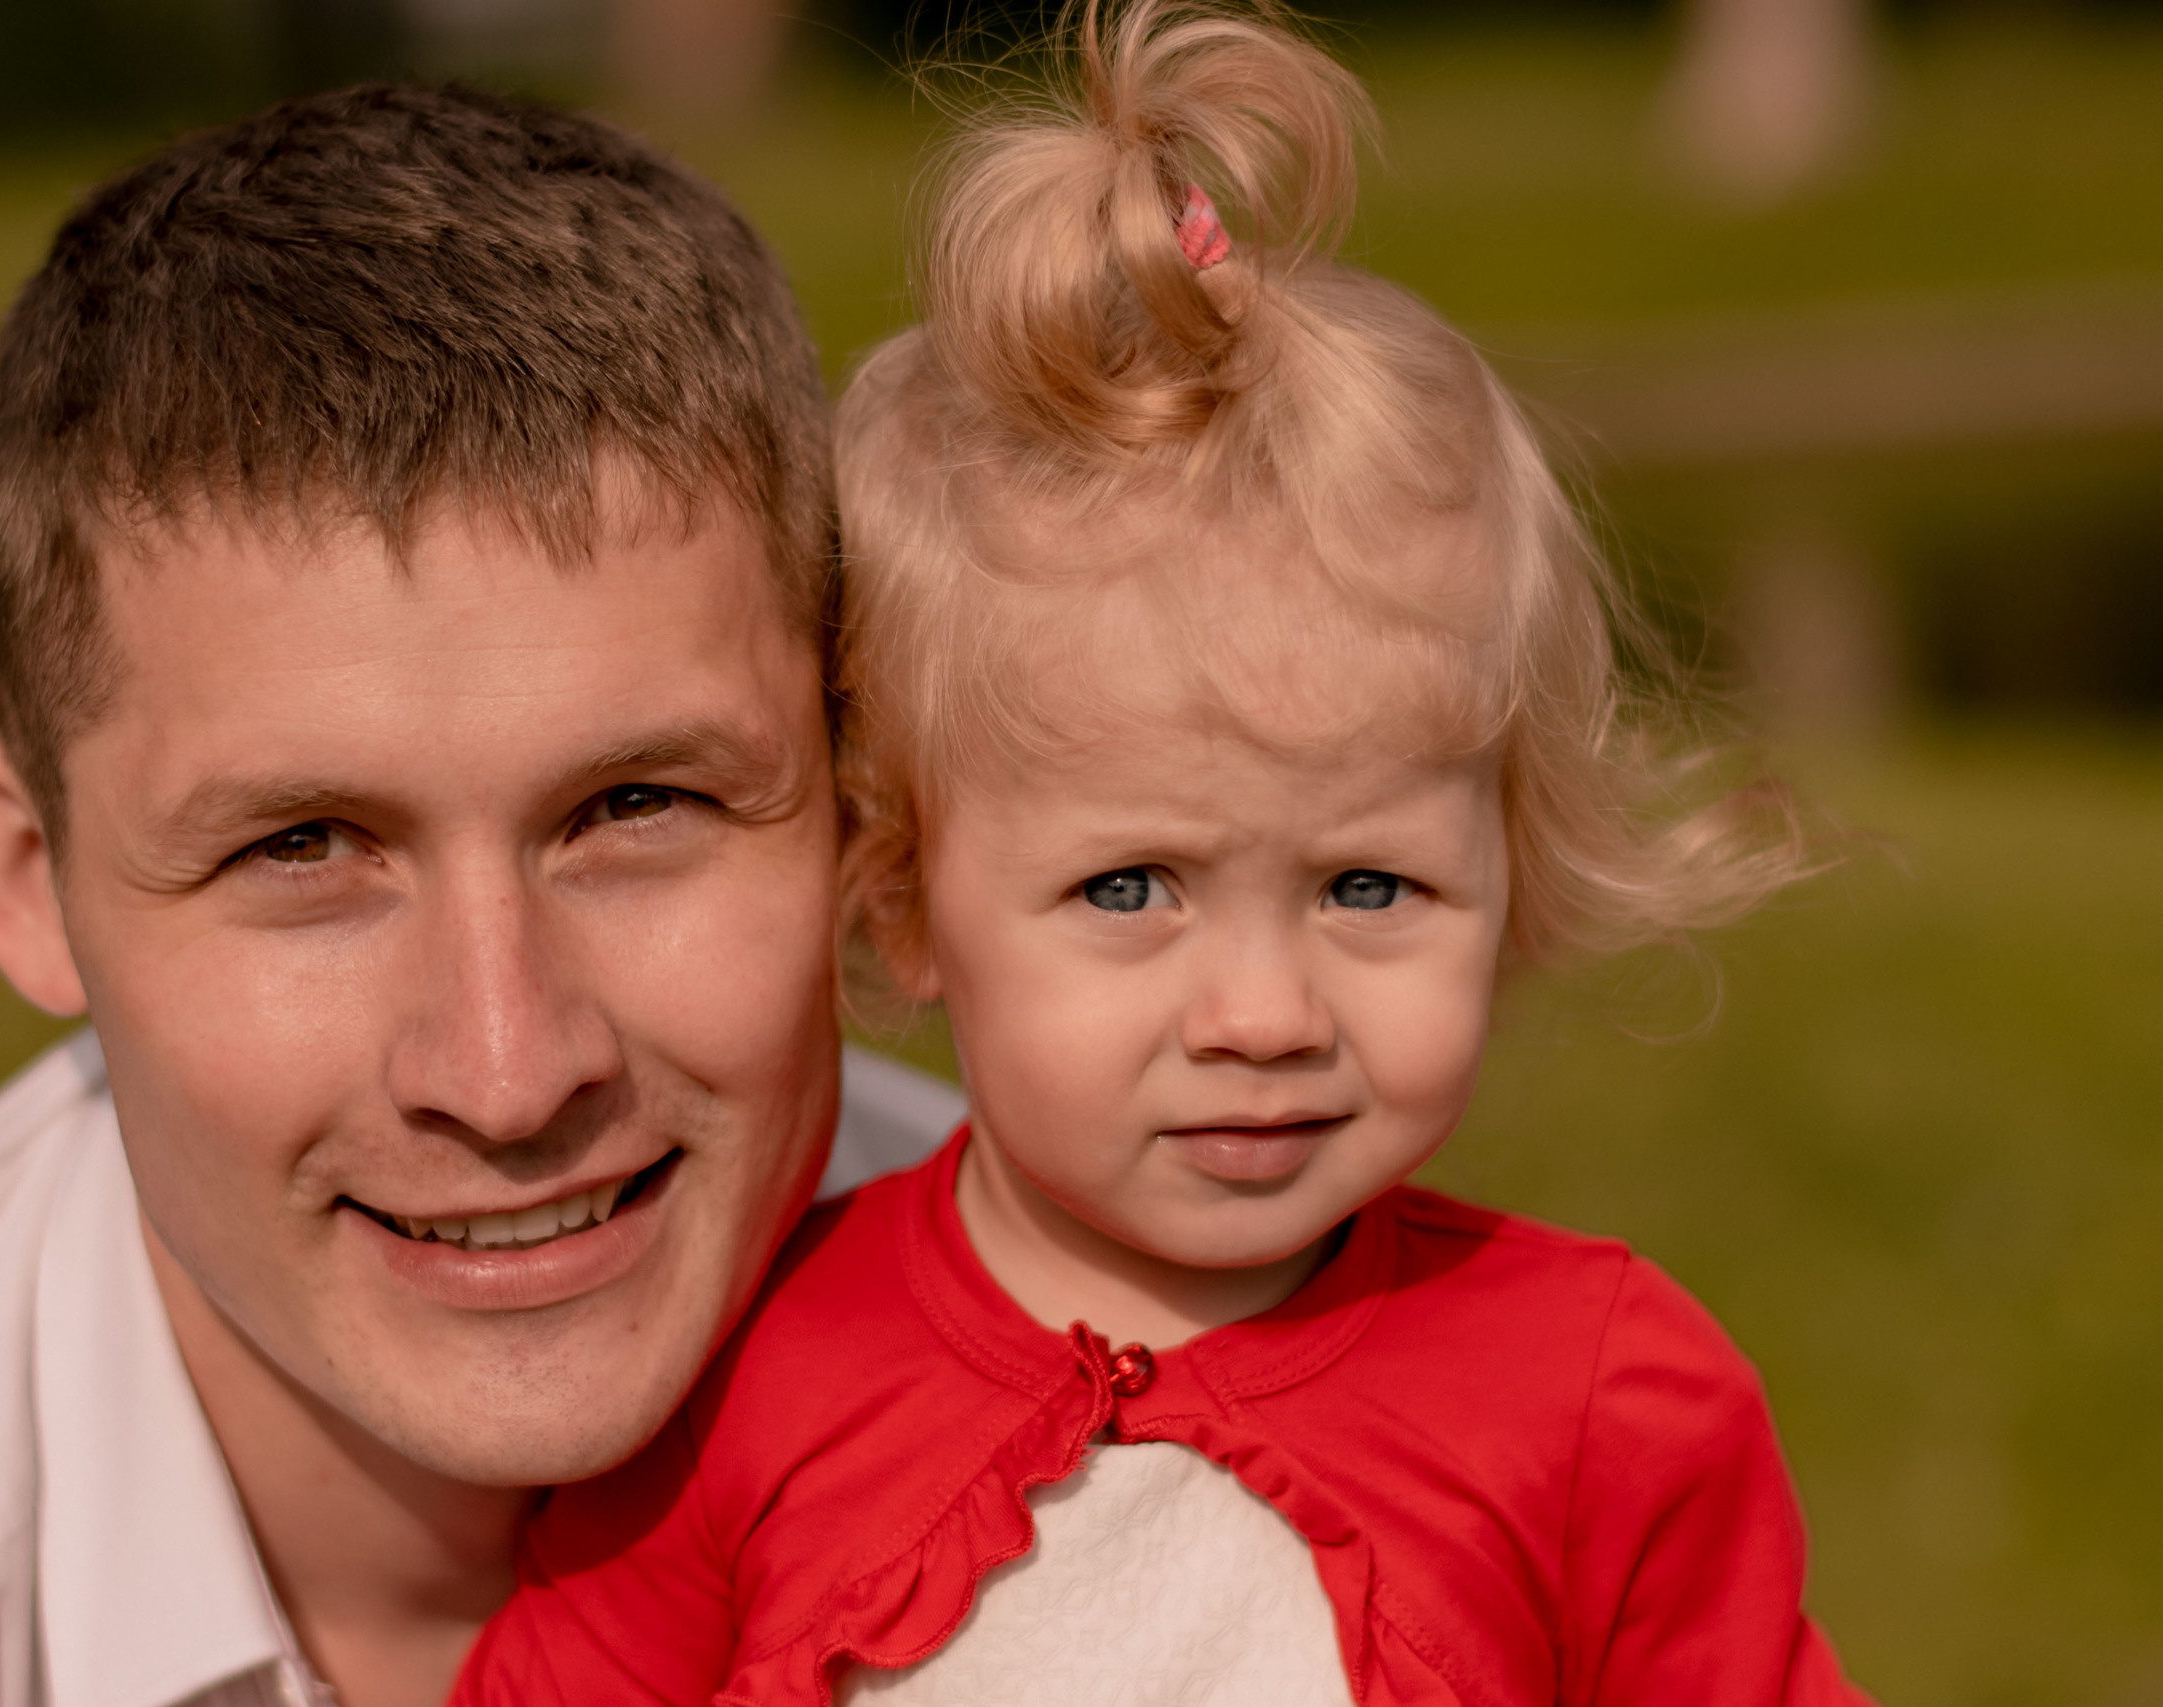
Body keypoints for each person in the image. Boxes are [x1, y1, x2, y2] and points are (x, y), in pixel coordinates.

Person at [451, 6, 1870, 1703]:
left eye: (1370, 888)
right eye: (1129, 889)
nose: (1264, 1014)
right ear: (901, 897)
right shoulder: (745, 1369)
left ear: (1509, 870)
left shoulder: (1607, 1395)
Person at [0, 83, 962, 1707]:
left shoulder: (1189, 1406)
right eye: (301, 849)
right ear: (26, 883)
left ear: (857, 790)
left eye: (637, 804)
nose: (511, 1068)